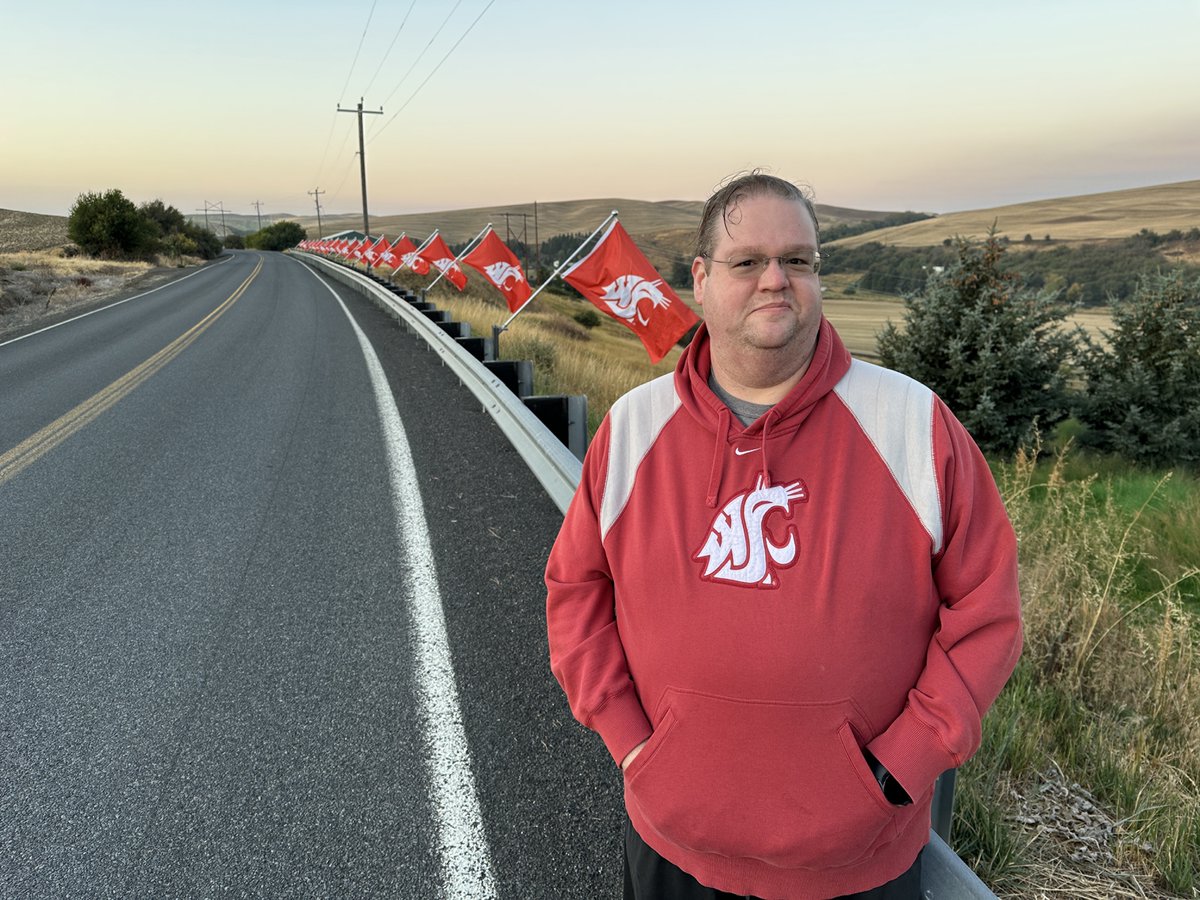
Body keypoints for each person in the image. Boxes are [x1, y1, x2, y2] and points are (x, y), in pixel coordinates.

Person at [545, 172, 1022, 900]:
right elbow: (575, 590)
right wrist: (633, 744)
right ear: (699, 280)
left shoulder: (914, 426)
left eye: (798, 261)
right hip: (671, 844)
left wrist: (902, 766)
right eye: (748, 262)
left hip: (856, 860)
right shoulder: (633, 429)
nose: (777, 279)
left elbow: (988, 614)